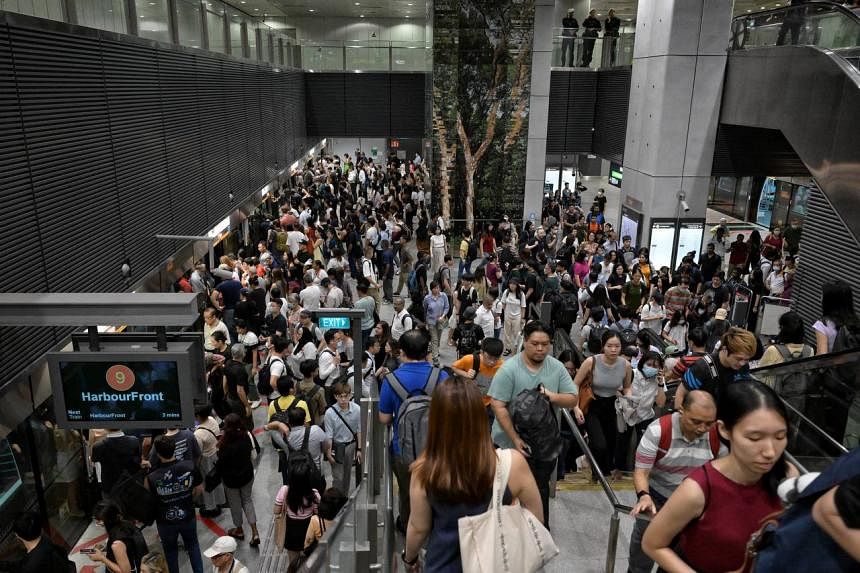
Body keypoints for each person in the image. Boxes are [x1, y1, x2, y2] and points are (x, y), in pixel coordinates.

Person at [643, 381, 796, 573]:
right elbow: (653, 543)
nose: (770, 451)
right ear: (724, 430)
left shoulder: (787, 475)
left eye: (780, 437)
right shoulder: (697, 489)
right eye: (754, 438)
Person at [403, 378, 544, 572]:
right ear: (481, 417)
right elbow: (537, 519)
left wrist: (409, 559)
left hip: (443, 565)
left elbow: (419, 528)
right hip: (498, 564)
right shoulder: (512, 463)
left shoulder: (424, 470)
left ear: (435, 421)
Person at [488, 321, 578, 527]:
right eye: (535, 343)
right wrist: (516, 439)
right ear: (525, 342)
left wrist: (550, 396)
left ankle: (538, 530)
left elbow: (572, 398)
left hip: (544, 445)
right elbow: (498, 405)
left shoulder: (555, 367)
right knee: (507, 490)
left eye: (545, 344)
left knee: (539, 487)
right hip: (508, 444)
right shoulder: (509, 369)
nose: (540, 349)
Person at [627, 391, 724, 573]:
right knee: (642, 553)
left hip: (693, 504)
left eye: (708, 423)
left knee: (680, 557)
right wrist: (644, 496)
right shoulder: (658, 431)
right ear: (682, 411)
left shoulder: (717, 436)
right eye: (696, 421)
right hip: (657, 498)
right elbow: (641, 471)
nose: (702, 428)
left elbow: (725, 474)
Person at [379, 329, 449, 532]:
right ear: (427, 351)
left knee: (407, 491)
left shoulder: (391, 380)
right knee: (436, 489)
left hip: (404, 450)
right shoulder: (441, 376)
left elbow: (384, 418)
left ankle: (408, 525)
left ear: (401, 352)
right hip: (437, 449)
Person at [572, 330, 633, 481]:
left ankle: (602, 474)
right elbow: (575, 384)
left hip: (613, 406)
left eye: (617, 346)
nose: (613, 350)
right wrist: (576, 406)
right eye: (609, 346)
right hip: (593, 405)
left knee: (611, 444)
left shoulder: (625, 365)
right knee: (599, 444)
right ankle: (596, 472)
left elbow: (626, 387)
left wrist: (630, 399)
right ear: (603, 346)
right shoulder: (591, 362)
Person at [145, 434, 204, 573]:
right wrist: (188, 499)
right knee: (193, 546)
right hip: (188, 516)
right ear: (174, 449)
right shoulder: (190, 466)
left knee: (170, 553)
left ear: (158, 453)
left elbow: (148, 498)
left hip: (165, 522)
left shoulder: (152, 477)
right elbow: (199, 489)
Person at [675, 326, 758, 409]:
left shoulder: (744, 367)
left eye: (746, 359)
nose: (742, 363)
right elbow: (681, 393)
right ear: (725, 349)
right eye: (738, 358)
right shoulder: (701, 367)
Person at [615, 351, 667, 473]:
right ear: (642, 363)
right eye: (649, 364)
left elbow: (661, 403)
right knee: (622, 442)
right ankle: (618, 470)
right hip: (627, 414)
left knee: (643, 445)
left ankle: (640, 472)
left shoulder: (659, 381)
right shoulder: (632, 374)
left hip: (645, 416)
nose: (652, 368)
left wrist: (660, 384)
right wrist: (624, 403)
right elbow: (617, 390)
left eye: (655, 366)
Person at [273, 442, 322, 563]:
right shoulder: (314, 494)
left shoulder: (285, 490)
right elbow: (317, 512)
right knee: (309, 560)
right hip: (309, 529)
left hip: (291, 530)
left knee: (293, 561)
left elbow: (276, 510)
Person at [215, 414, 260, 545]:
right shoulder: (246, 436)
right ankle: (255, 532)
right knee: (247, 500)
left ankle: (239, 530)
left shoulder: (223, 443)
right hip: (246, 475)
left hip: (230, 480)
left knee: (235, 504)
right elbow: (253, 454)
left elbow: (221, 463)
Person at [451, 337, 505, 425]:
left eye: (496, 358)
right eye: (489, 357)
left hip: (488, 404)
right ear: (482, 352)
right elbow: (454, 367)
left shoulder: (502, 365)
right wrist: (466, 374)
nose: (492, 362)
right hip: (468, 402)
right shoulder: (470, 359)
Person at [758, 310, 815, 386]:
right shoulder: (810, 351)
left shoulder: (773, 350)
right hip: (798, 394)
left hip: (774, 395)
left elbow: (758, 374)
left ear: (782, 328)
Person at [324, 381, 362, 493]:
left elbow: (359, 430)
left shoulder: (357, 409)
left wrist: (359, 449)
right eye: (340, 396)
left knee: (347, 474)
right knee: (337, 477)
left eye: (346, 396)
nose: (343, 399)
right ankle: (336, 500)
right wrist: (329, 453)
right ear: (335, 397)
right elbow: (329, 435)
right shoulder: (330, 413)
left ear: (350, 395)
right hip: (337, 446)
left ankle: (344, 497)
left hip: (351, 445)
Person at [89, 500, 145, 573]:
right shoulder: (127, 524)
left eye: (97, 519)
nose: (96, 522)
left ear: (102, 521)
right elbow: (129, 546)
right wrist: (106, 548)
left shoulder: (116, 544)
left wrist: (102, 558)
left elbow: (125, 571)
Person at [194, 405, 226, 518]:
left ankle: (211, 507)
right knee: (216, 480)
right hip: (215, 455)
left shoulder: (198, 434)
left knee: (207, 484)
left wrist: (195, 468)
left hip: (205, 460)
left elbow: (198, 454)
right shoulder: (212, 420)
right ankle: (220, 501)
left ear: (198, 416)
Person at [91, 428, 141, 497]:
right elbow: (137, 463)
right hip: (130, 488)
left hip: (109, 490)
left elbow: (98, 474)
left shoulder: (98, 446)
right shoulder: (134, 441)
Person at [813, 279, 859, 354]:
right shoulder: (856, 323)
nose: (820, 298)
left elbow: (821, 356)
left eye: (822, 295)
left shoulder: (822, 325)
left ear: (829, 301)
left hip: (836, 365)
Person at [303, 488, 349, 552]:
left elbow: (307, 542)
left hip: (322, 556)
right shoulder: (345, 517)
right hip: (340, 553)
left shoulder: (315, 520)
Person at [423, 280, 450, 367]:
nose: (437, 290)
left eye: (438, 288)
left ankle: (435, 349)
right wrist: (426, 322)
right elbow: (425, 310)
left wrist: (443, 316)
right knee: (434, 339)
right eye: (435, 288)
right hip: (431, 321)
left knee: (438, 338)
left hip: (441, 321)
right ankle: (435, 358)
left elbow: (447, 307)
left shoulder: (443, 296)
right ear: (431, 289)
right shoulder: (427, 298)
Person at [500, 278, 527, 356]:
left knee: (516, 334)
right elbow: (503, 303)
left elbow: (523, 307)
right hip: (507, 315)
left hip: (517, 316)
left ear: (517, 285)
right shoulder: (506, 292)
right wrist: (505, 313)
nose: (512, 286)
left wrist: (522, 318)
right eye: (510, 284)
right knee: (507, 333)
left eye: (514, 284)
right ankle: (508, 349)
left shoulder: (521, 294)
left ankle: (516, 349)